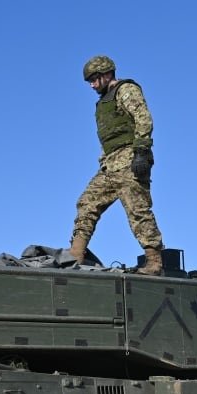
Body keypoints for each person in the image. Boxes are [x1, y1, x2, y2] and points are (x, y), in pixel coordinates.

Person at [69, 55, 165, 275]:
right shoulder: (104, 101)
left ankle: (154, 262)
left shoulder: (126, 90)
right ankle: (75, 255)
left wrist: (141, 152)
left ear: (106, 74)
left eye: (94, 79)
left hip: (130, 160)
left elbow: (144, 119)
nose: (92, 85)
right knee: (86, 203)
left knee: (137, 210)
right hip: (110, 164)